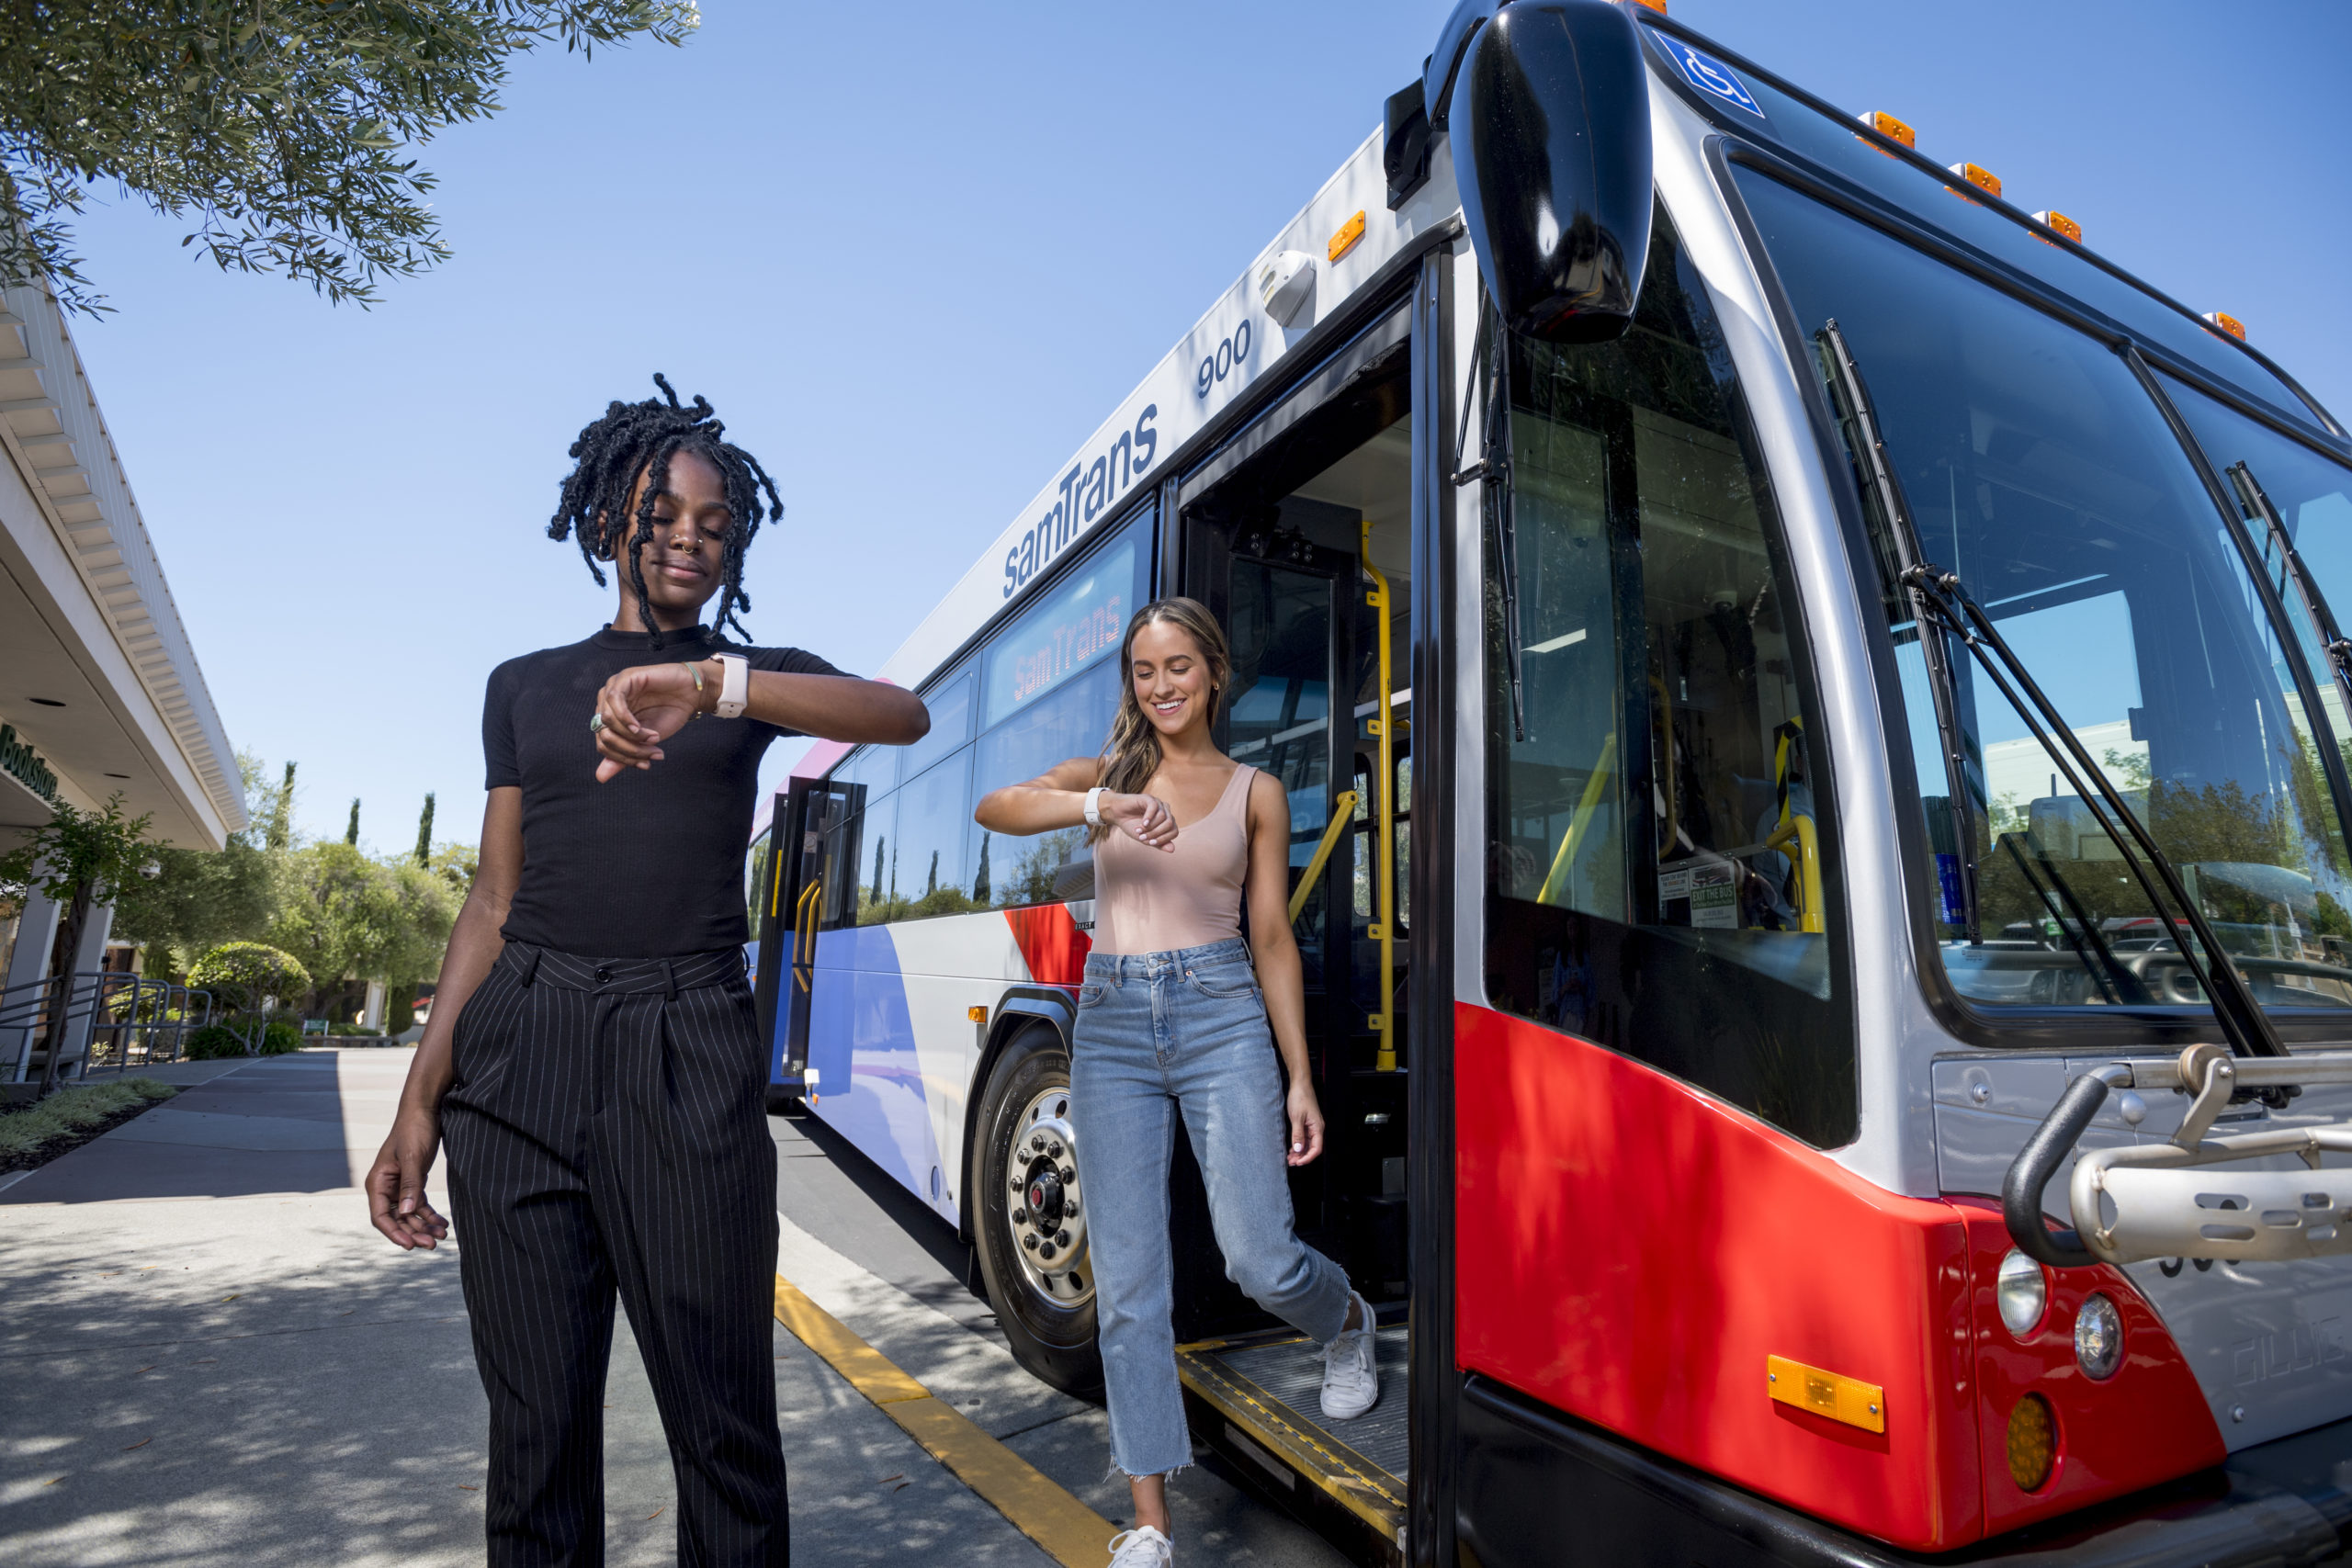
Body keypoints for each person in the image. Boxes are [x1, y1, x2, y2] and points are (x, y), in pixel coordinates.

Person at [365, 375, 928, 1567]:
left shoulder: (748, 675)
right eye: (663, 510)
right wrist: (420, 1102)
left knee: (723, 1430)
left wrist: (709, 682)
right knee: (537, 1438)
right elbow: (493, 898)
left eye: (715, 522)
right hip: (523, 1054)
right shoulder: (522, 686)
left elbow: (901, 710)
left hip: (690, 1047)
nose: (689, 534)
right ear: (609, 516)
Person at [973, 597, 1376, 1568]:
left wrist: (1298, 1078)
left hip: (1220, 1011)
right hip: (1109, 1022)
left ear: (1215, 673)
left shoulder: (1255, 791)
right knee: (1130, 1286)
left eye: (1179, 667)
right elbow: (998, 808)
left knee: (1258, 1257)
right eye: (1144, 670)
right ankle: (1150, 1522)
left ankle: (1347, 1319)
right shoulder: (1108, 774)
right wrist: (1094, 806)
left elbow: (1272, 936)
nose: (1160, 686)